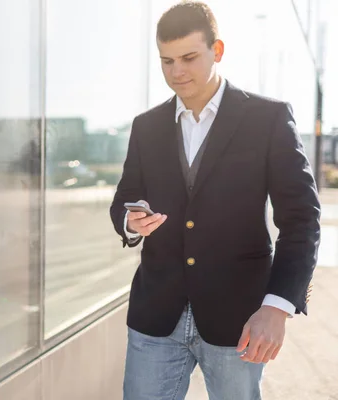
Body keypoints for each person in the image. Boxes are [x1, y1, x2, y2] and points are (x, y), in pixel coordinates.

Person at [110, 2, 320, 399]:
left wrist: (277, 308)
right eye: (167, 61)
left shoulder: (268, 119)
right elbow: (125, 197)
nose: (177, 71)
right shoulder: (146, 126)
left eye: (189, 57)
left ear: (217, 51)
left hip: (239, 320)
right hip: (155, 317)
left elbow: (301, 220)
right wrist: (130, 221)